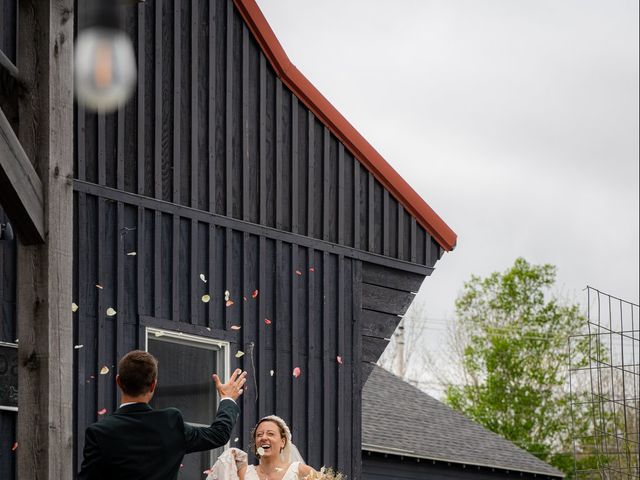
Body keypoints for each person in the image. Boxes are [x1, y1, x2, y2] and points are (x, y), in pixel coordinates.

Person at [78, 350, 247, 480]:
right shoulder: (170, 422)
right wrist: (227, 399)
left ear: (118, 381)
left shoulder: (99, 432)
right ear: (153, 384)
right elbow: (218, 435)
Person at [207, 415, 318, 480]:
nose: (264, 438)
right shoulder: (243, 473)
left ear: (282, 442)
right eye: (259, 435)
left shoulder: (301, 471)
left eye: (270, 434)